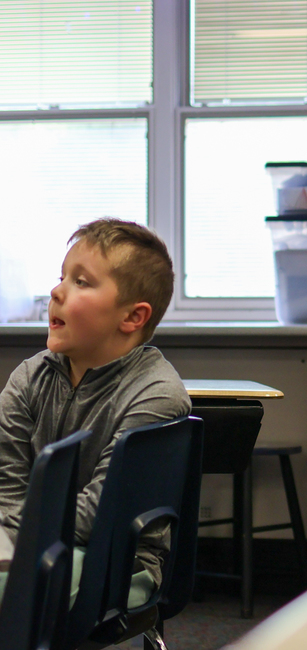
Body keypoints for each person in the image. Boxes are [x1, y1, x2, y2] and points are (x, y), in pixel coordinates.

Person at [0, 218, 190, 602]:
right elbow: (7, 488)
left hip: (117, 562)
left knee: (15, 594)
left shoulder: (157, 394)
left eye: (81, 282)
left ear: (133, 317)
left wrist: (12, 539)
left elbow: (100, 514)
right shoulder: (28, 378)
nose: (56, 291)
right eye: (61, 277)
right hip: (23, 543)